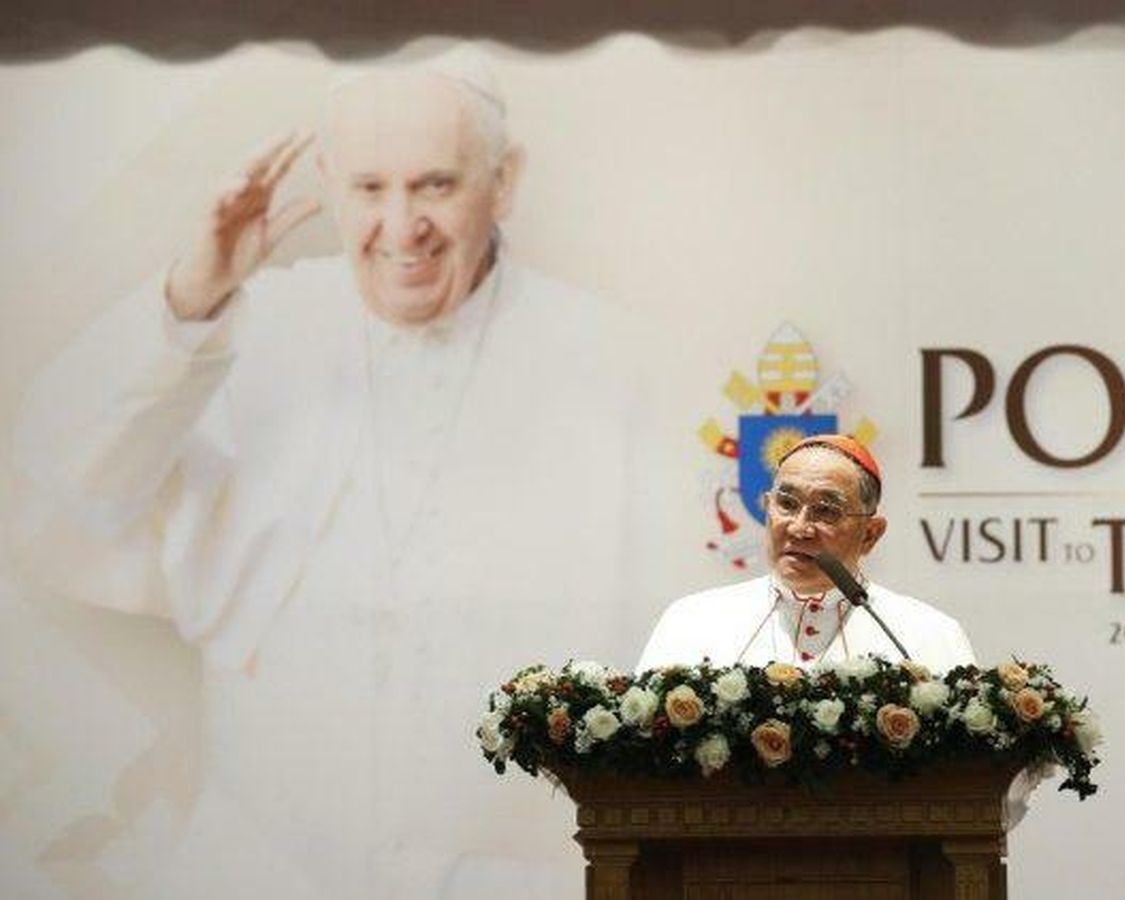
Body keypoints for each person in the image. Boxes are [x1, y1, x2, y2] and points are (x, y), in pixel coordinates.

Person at [10, 53, 640, 899]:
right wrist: (191, 301)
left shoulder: (610, 355)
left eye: (435, 185)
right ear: (326, 182)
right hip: (264, 868)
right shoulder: (248, 324)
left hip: (516, 878)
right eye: (369, 187)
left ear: (504, 180)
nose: (401, 224)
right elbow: (63, 493)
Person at [637, 434, 975, 672]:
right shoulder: (692, 621)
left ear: (870, 535)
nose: (800, 528)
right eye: (786, 504)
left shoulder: (928, 635)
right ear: (768, 508)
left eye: (826, 511)